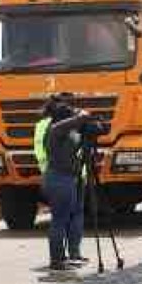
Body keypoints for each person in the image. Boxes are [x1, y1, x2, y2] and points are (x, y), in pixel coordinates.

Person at [41, 102, 93, 271]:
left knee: (66, 217)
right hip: (59, 179)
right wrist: (80, 117)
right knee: (59, 220)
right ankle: (56, 260)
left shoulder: (65, 131)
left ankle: (64, 257)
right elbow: (69, 124)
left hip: (68, 178)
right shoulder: (55, 130)